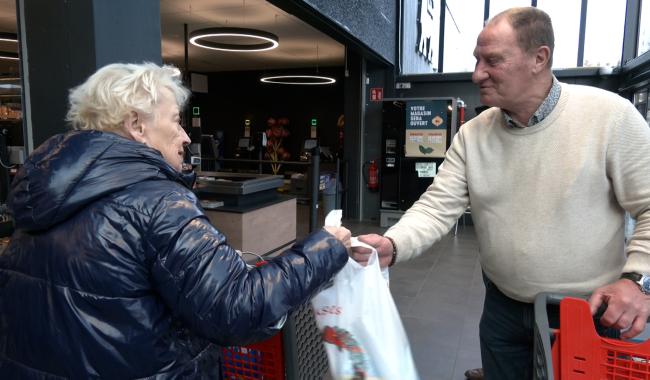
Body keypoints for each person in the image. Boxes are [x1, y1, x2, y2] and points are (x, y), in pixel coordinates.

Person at [0, 62, 352, 379]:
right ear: (137, 124)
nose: (185, 136)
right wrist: (325, 248)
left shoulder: (41, 199)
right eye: (175, 120)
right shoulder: (158, 202)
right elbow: (239, 308)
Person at [352, 7, 650, 380]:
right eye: (477, 60)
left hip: (584, 313)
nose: (477, 73)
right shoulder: (473, 135)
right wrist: (392, 245)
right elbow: (436, 207)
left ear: (539, 58)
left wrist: (638, 280)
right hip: (501, 311)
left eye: (492, 60)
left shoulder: (612, 117)